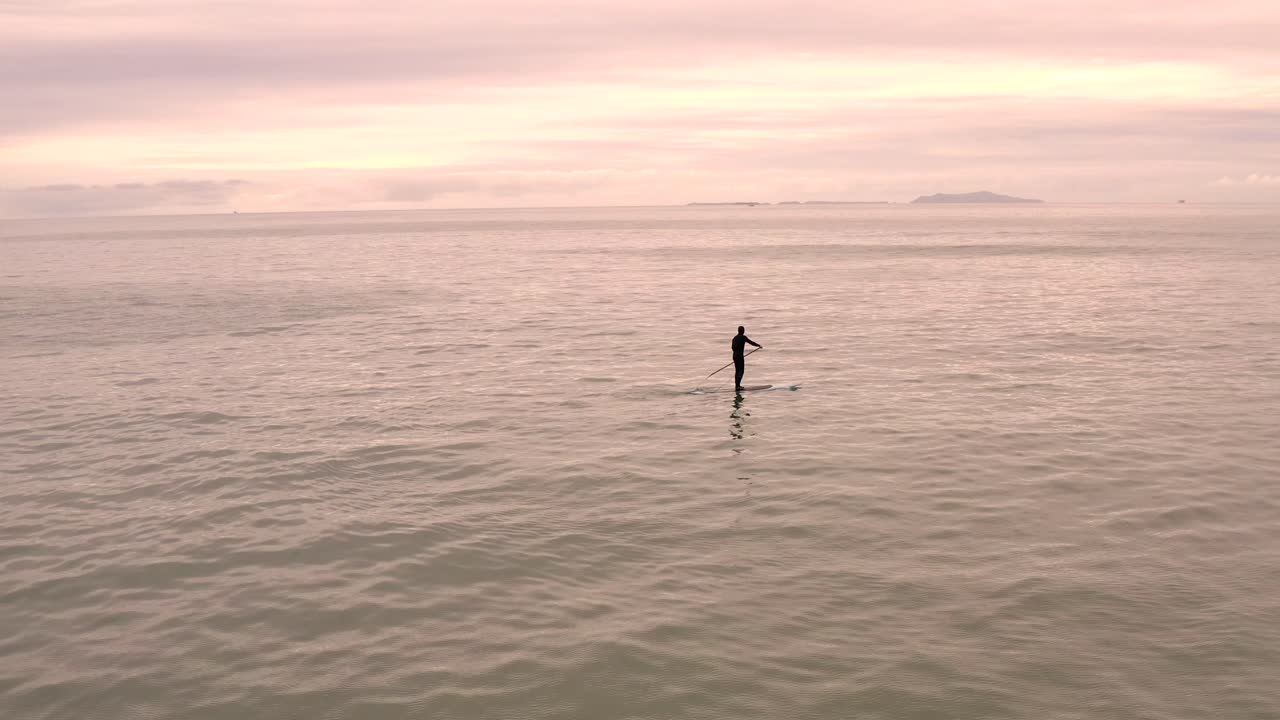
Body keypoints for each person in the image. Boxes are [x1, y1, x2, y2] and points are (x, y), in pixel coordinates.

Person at [731, 326, 762, 391]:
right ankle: (738, 386)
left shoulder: (734, 338)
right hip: (740, 357)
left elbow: (733, 348)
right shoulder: (743, 337)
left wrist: (736, 353)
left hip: (734, 356)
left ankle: (737, 386)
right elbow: (751, 342)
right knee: (741, 371)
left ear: (738, 331)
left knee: (737, 371)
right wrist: (758, 345)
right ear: (743, 331)